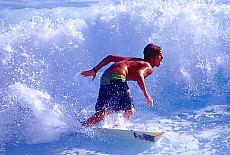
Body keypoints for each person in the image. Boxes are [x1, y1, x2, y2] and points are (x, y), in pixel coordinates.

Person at [80, 43, 163, 127]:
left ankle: (85, 124)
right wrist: (146, 95)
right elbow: (139, 74)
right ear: (152, 58)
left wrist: (94, 70)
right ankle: (117, 128)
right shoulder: (148, 66)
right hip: (117, 77)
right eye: (160, 56)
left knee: (108, 110)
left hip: (105, 77)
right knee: (130, 111)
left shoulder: (132, 60)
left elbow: (110, 57)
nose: (162, 58)